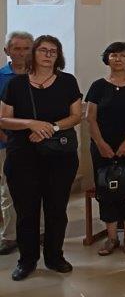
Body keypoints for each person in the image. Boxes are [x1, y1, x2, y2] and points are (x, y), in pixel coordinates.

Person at [0, 36, 82, 281]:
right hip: (22, 156)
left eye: (53, 51)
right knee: (26, 211)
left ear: (59, 56)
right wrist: (30, 124)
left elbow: (76, 115)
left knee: (56, 209)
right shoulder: (16, 84)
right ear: (34, 53)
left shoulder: (67, 82)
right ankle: (27, 260)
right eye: (43, 50)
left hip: (59, 155)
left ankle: (55, 256)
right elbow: (3, 119)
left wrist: (50, 128)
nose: (48, 55)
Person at [84, 42, 125, 255]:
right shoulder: (97, 86)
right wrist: (101, 144)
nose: (118, 59)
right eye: (113, 55)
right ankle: (111, 238)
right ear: (107, 58)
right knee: (106, 190)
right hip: (102, 147)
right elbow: (90, 117)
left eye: (122, 55)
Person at [0, 31, 31, 256]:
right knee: (9, 191)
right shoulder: (1, 77)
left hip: (36, 142)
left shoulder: (39, 76)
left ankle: (38, 232)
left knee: (39, 188)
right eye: (16, 48)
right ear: (7, 51)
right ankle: (10, 235)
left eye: (26, 48)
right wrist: (7, 139)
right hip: (5, 144)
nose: (21, 53)